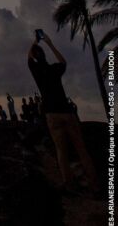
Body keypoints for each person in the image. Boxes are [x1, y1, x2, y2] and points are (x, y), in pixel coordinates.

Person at [28, 33, 98, 193]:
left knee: (61, 151)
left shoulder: (37, 71)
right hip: (66, 111)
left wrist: (35, 42)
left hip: (51, 114)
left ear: (35, 57)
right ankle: (94, 185)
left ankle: (69, 184)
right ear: (44, 56)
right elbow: (63, 61)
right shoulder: (54, 69)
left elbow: (29, 57)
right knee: (82, 150)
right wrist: (49, 43)